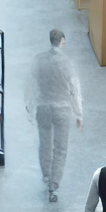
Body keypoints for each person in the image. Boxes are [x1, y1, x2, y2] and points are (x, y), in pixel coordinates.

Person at [27, 29, 82, 202]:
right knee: (60, 148)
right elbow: (75, 89)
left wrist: (30, 107)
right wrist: (79, 113)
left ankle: (46, 174)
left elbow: (31, 85)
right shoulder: (67, 63)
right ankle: (54, 183)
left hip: (43, 107)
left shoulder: (38, 60)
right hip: (62, 109)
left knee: (44, 143)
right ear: (62, 41)